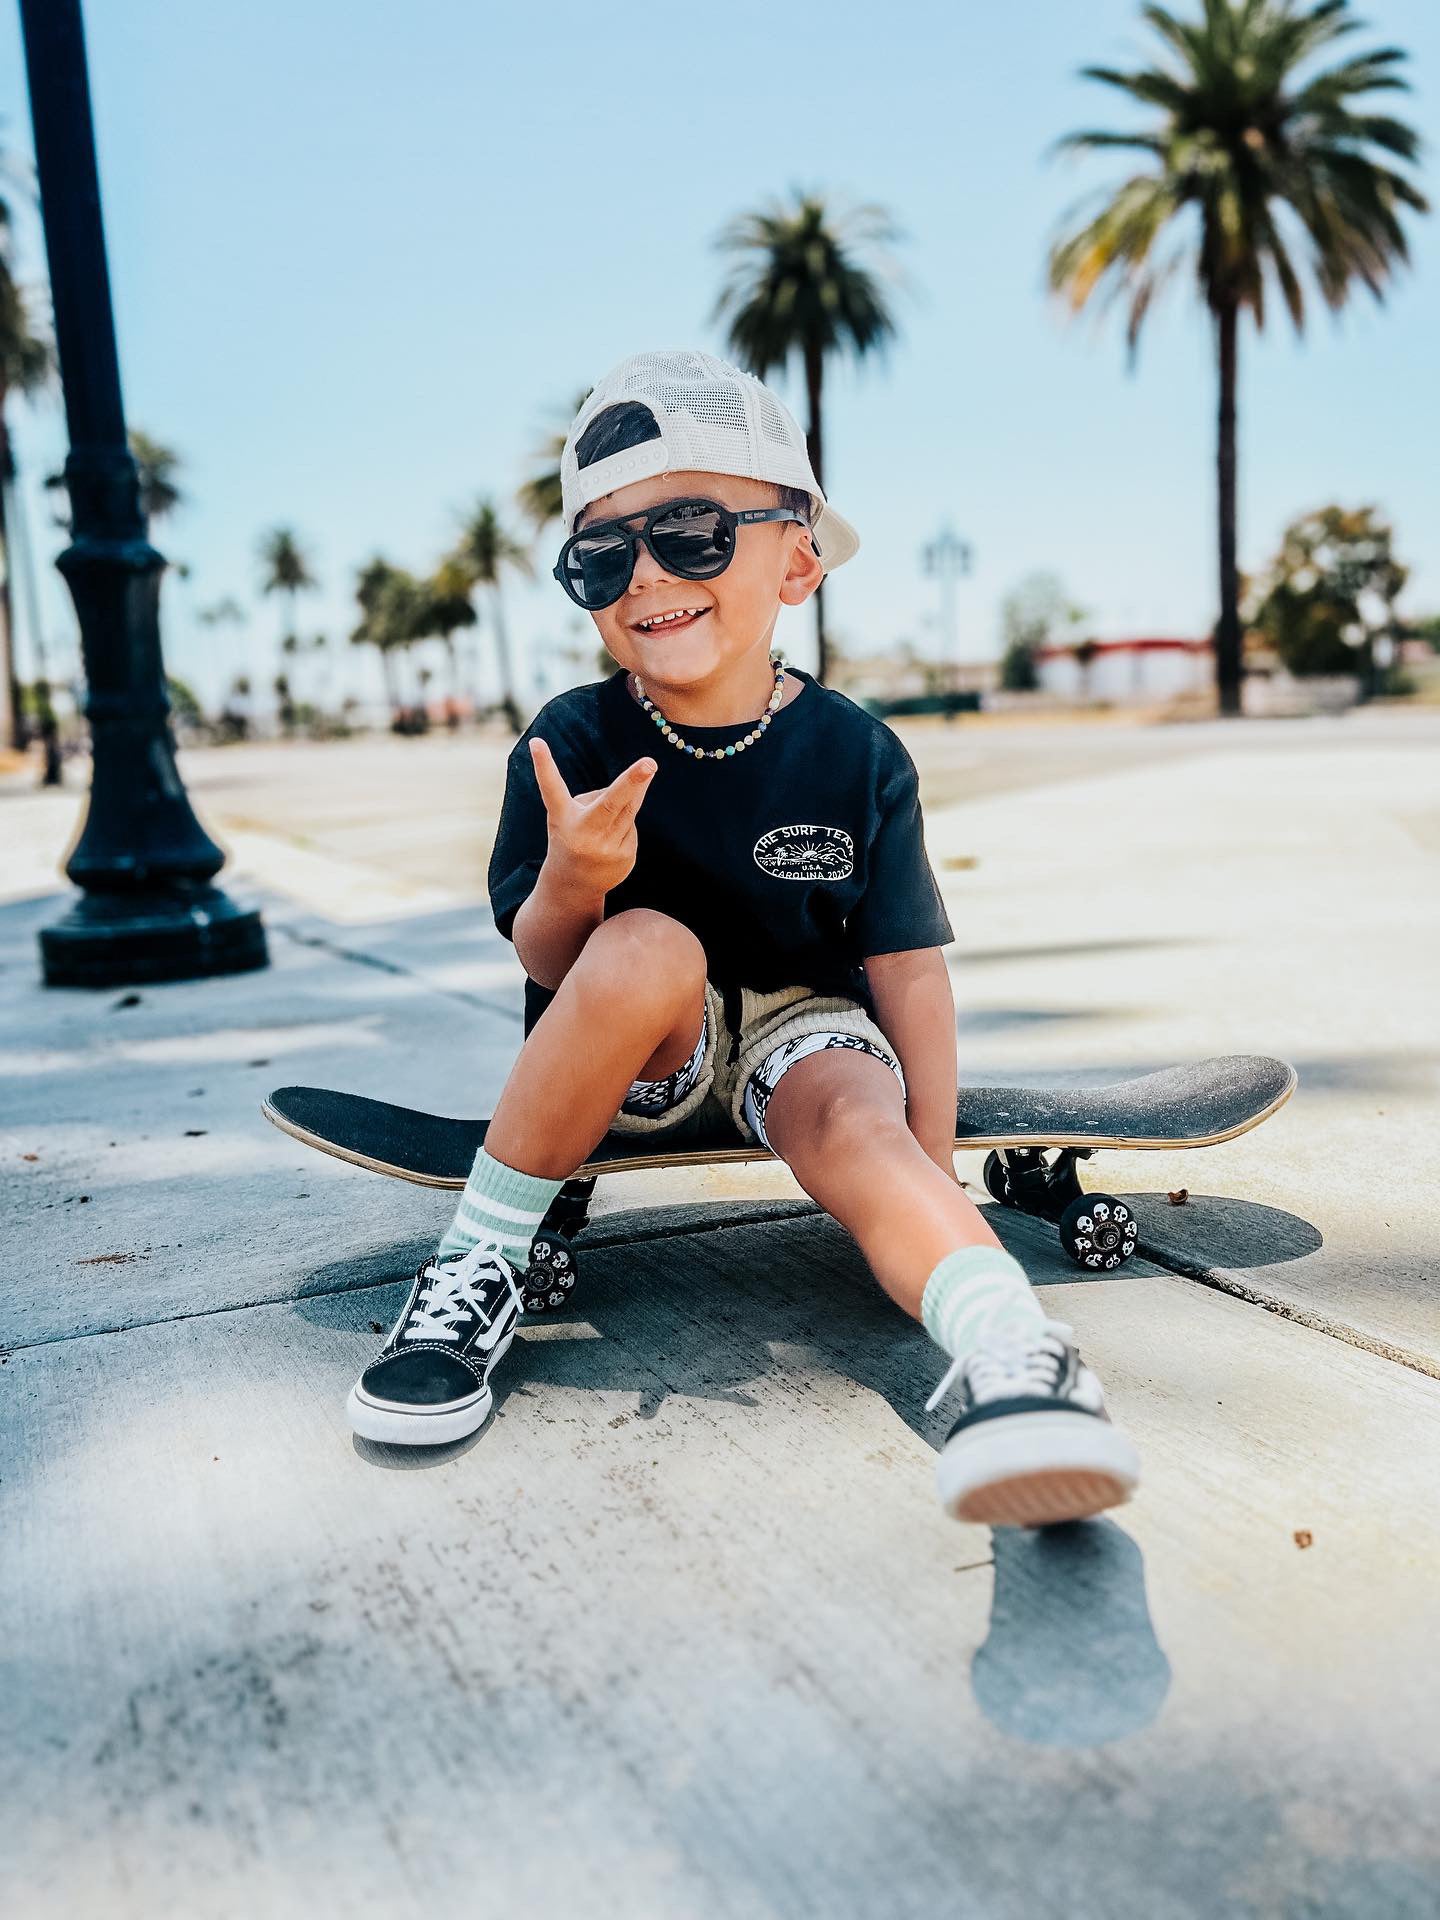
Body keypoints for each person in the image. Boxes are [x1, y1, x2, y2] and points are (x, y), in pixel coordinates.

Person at [346, 348, 1139, 1528]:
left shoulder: (860, 755)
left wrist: (928, 1178)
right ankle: (478, 1266)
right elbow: (547, 962)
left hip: (805, 1042)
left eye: (694, 532)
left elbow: (906, 970)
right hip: (634, 1055)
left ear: (799, 557)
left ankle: (1018, 1356)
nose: (648, 573)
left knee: (855, 1113)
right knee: (644, 944)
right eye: (603, 554)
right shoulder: (569, 741)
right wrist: (573, 877)